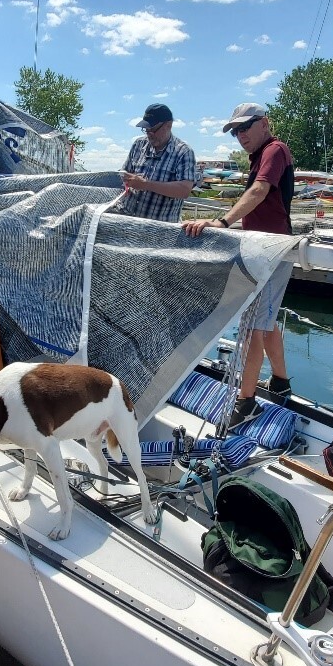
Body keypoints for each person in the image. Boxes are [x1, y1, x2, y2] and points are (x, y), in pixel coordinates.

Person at [182, 103, 296, 425]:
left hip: (271, 251)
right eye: (236, 131)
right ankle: (281, 382)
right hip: (264, 250)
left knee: (251, 328)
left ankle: (245, 404)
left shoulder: (274, 149)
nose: (240, 135)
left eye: (246, 127)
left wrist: (223, 221)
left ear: (265, 123)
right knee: (266, 322)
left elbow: (259, 191)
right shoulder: (260, 156)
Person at [116, 103, 197, 223]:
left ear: (168, 125)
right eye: (146, 129)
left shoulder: (183, 152)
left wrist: (146, 184)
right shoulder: (138, 144)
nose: (149, 133)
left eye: (153, 129)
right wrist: (126, 181)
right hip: (127, 221)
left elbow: (184, 190)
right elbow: (124, 174)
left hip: (159, 230)